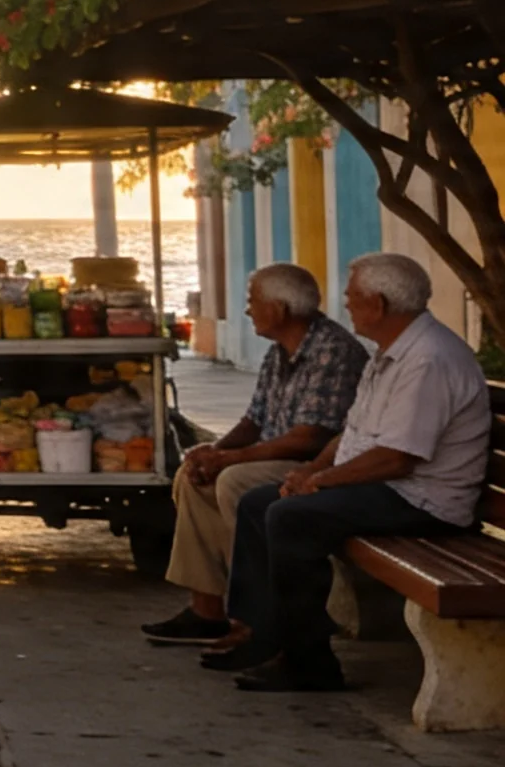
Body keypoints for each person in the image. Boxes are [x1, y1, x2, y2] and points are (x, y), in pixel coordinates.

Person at [213, 252, 492, 692]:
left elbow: (398, 458)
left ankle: (310, 662)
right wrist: (311, 470)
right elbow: (352, 433)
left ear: (377, 305)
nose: (345, 307)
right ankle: (262, 634)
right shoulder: (390, 354)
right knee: (259, 502)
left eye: (352, 297)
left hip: (424, 501)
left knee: (291, 518)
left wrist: (319, 483)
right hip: (391, 487)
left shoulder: (428, 360)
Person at [140, 263, 364, 646]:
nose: (247, 310)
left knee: (234, 481)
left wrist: (231, 460)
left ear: (278, 309)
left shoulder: (333, 351)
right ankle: (206, 610)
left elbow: (309, 438)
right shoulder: (279, 352)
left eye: (252, 301)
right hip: (278, 457)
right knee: (194, 475)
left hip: (316, 465)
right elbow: (253, 419)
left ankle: (254, 616)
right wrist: (214, 450)